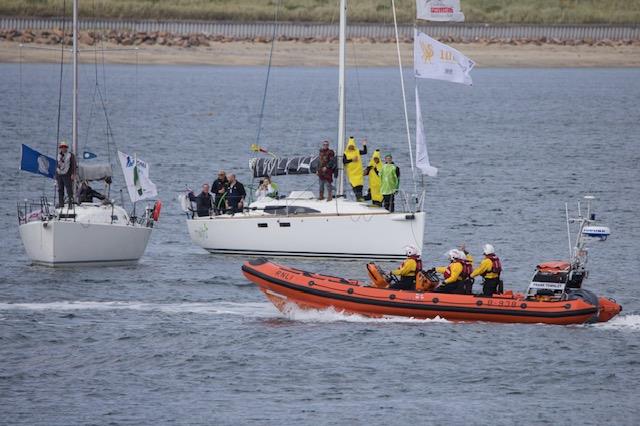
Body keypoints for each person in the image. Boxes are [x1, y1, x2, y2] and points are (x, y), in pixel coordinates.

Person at [343, 136, 367, 201]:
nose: (351, 147)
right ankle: (359, 198)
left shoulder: (357, 151)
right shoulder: (345, 153)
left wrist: (364, 145)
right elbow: (344, 161)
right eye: (350, 146)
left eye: (352, 146)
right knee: (354, 186)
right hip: (351, 173)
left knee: (360, 186)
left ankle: (359, 199)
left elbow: (365, 152)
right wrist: (352, 160)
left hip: (358, 173)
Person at [55, 140, 76, 208]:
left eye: (64, 147)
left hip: (67, 174)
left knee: (69, 190)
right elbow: (57, 165)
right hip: (59, 174)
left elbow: (73, 165)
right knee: (60, 189)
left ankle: (70, 203)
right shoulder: (58, 155)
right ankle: (61, 204)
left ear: (66, 148)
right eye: (62, 147)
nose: (63, 148)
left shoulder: (70, 155)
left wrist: (73, 174)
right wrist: (56, 175)